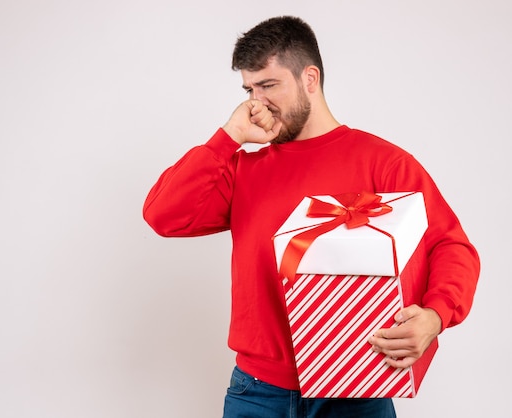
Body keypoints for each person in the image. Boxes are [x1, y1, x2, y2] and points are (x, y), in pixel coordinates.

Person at [142, 16, 479, 418]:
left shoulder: (385, 163)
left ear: (310, 78)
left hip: (358, 385)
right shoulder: (243, 170)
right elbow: (163, 215)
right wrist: (228, 136)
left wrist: (436, 316)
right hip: (258, 390)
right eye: (250, 88)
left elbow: (450, 245)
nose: (257, 101)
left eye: (269, 85)